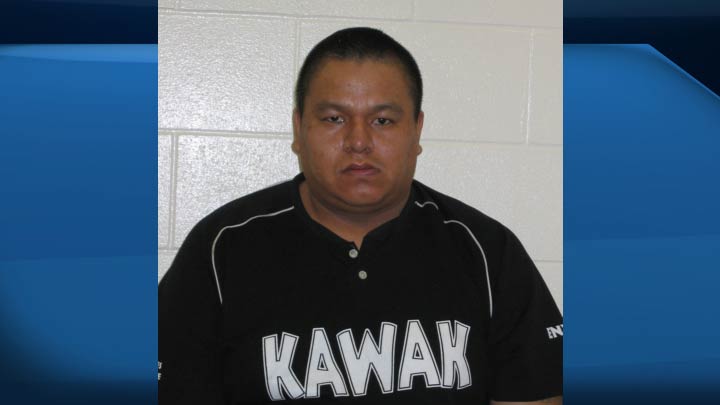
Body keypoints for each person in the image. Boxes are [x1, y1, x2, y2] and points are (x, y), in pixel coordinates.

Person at [159, 27, 563, 404]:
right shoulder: (222, 251)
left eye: (382, 120)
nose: (358, 141)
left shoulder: (486, 252)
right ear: (298, 129)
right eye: (334, 119)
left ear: (416, 130)